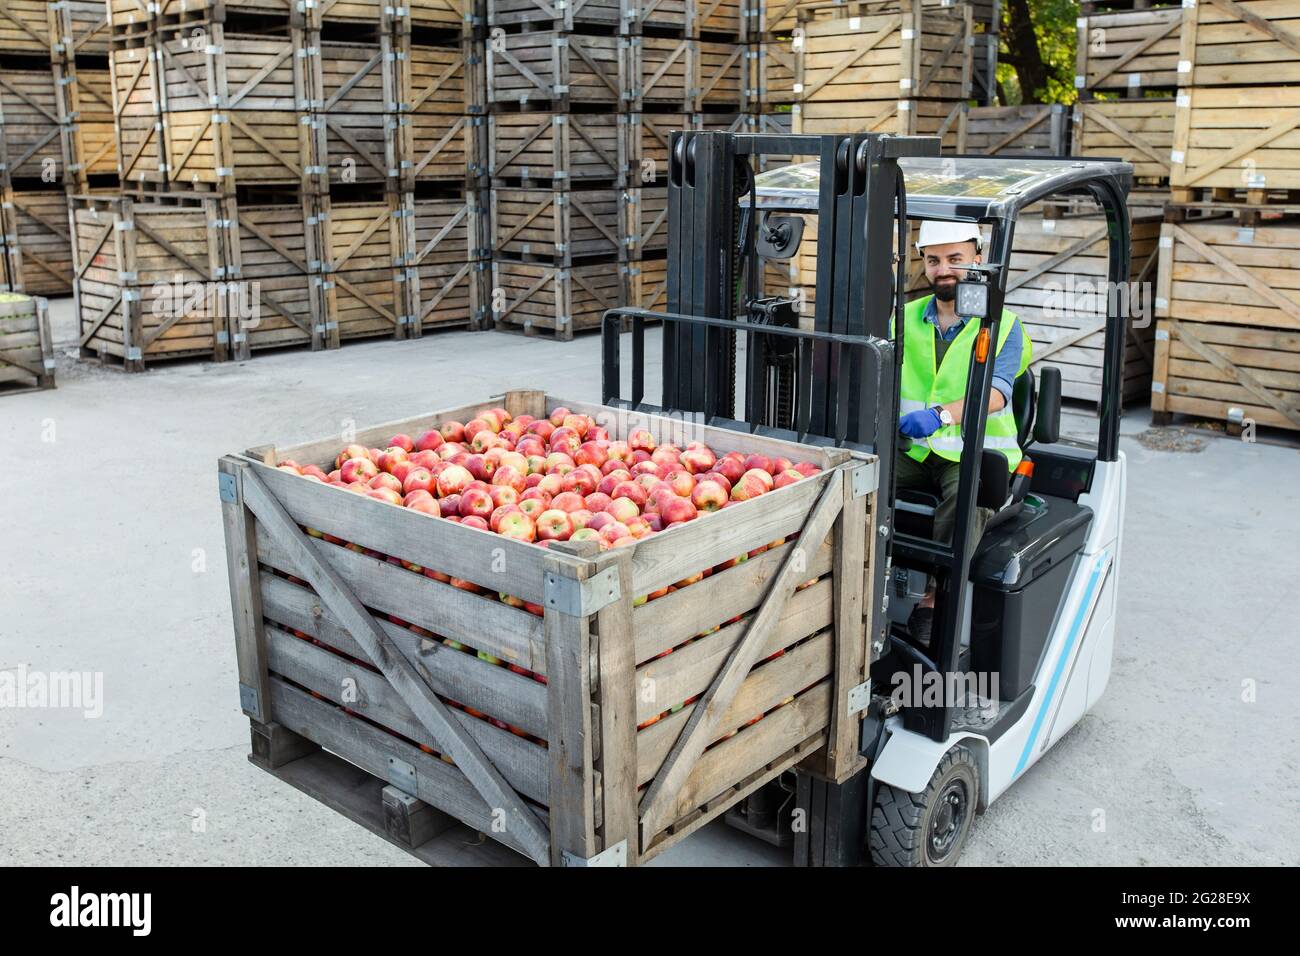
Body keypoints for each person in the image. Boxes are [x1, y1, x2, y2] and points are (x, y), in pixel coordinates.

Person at [896, 220, 1033, 645]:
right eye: (934, 260)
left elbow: (997, 393)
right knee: (854, 475)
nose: (944, 270)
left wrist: (941, 414)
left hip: (972, 453)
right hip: (913, 450)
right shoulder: (902, 318)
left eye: (955, 259)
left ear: (977, 258)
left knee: (967, 492)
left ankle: (937, 599)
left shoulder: (1003, 325)